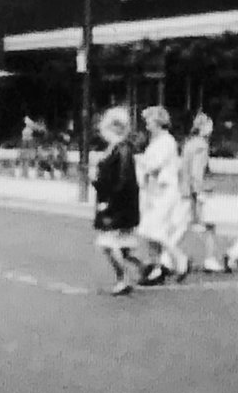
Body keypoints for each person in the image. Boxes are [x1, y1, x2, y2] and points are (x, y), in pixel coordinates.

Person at [90, 108, 149, 295]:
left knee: (108, 244)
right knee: (122, 245)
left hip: (118, 207)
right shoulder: (119, 149)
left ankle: (123, 278)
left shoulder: (120, 150)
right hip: (123, 206)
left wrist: (108, 200)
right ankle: (142, 266)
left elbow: (121, 181)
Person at [134, 106, 189, 282]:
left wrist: (140, 161)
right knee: (150, 230)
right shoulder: (156, 142)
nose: (147, 124)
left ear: (158, 122)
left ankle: (180, 259)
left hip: (164, 191)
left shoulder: (167, 142)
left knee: (156, 230)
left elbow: (154, 166)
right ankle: (155, 268)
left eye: (149, 120)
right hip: (153, 191)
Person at [175, 113, 227, 273]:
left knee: (182, 225)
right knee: (208, 226)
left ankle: (169, 256)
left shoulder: (189, 144)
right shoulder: (201, 145)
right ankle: (209, 259)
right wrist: (200, 192)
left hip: (185, 189)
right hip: (198, 190)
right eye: (209, 125)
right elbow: (197, 172)